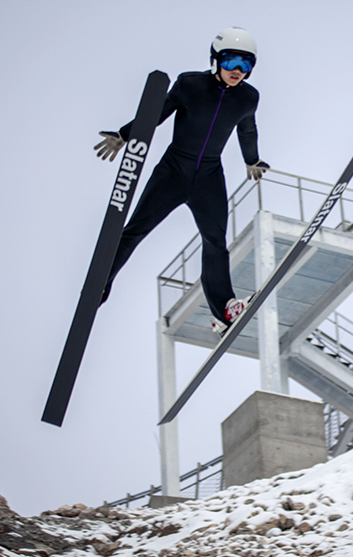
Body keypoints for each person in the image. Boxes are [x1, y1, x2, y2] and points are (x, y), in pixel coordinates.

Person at [94, 26, 270, 336]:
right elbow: (156, 114)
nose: (238, 71)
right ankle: (101, 283)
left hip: (209, 177)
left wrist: (251, 159)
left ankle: (224, 309)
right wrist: (125, 134)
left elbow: (247, 130)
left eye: (246, 65)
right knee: (134, 230)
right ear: (215, 60)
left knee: (216, 243)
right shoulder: (190, 84)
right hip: (173, 171)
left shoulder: (247, 98)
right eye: (231, 62)